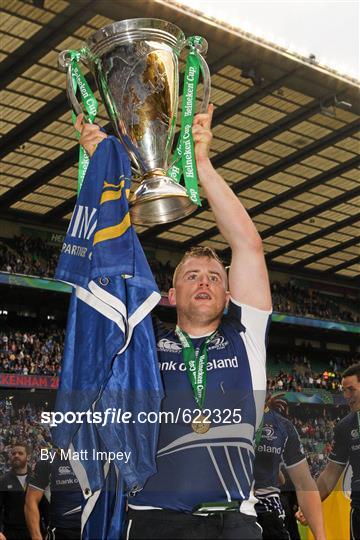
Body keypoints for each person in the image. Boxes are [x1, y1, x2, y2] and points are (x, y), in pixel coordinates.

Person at [76, 103, 272, 540]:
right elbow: (107, 272)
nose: (204, 282)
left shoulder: (247, 336)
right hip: (152, 519)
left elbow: (249, 246)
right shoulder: (143, 345)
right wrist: (100, 177)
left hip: (234, 521)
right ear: (171, 294)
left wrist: (200, 165)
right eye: (191, 276)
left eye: (214, 277)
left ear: (228, 293)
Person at [297, 363, 360, 539]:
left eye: (351, 390)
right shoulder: (345, 426)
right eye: (344, 391)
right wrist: (311, 505)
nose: (347, 396)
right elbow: (329, 475)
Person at [253, 396, 325, 540]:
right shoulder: (224, 416)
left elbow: (302, 482)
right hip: (234, 511)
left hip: (266, 511)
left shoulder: (281, 426)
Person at [25, 449, 82, 540]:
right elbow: (31, 500)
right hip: (61, 531)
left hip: (93, 528)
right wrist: (36, 536)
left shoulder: (94, 457)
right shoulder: (47, 461)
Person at [0, 442, 31, 540]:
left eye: (20, 453)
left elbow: (45, 508)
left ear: (28, 457)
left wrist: (46, 529)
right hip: (10, 533)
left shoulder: (37, 479)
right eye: (13, 454)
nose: (16, 455)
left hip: (34, 532)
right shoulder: (3, 481)